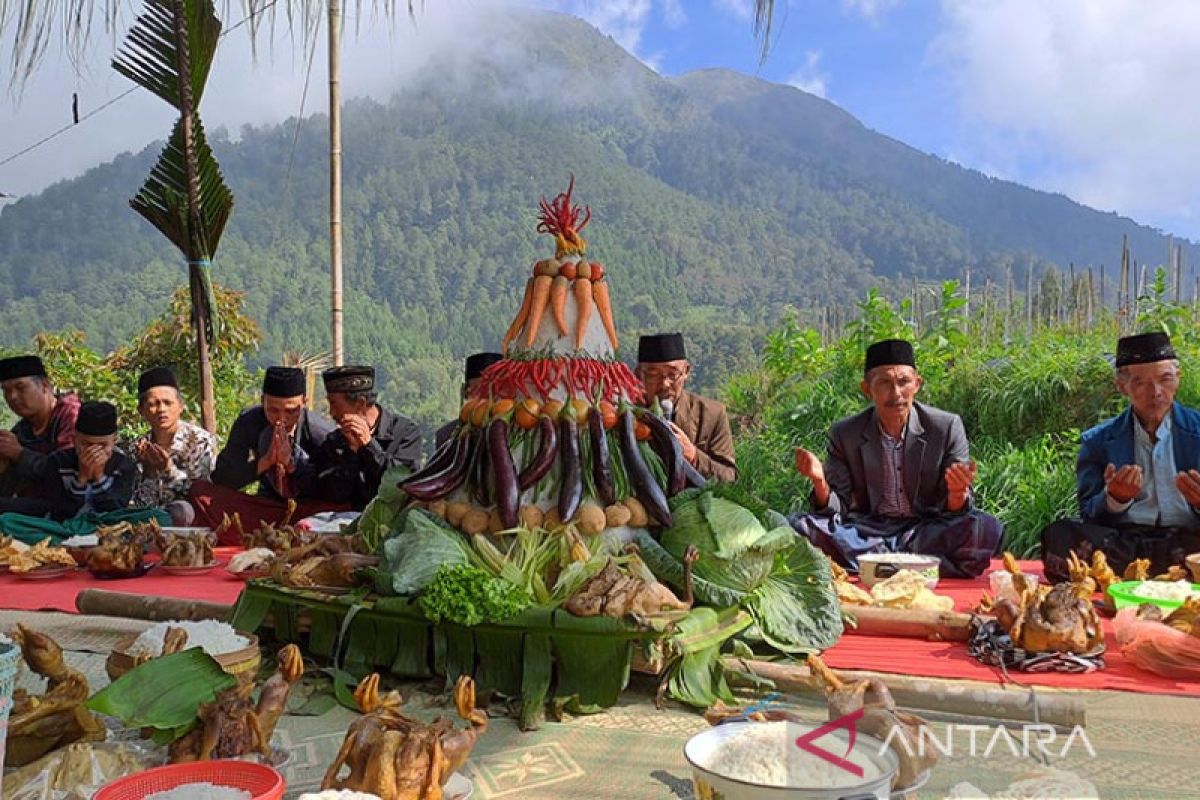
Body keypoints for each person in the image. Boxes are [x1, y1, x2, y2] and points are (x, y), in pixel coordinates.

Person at [789, 339, 1002, 579]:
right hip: (867, 530)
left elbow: (955, 512)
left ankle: (877, 564)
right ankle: (921, 565)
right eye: (884, 383)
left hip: (924, 529)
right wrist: (820, 482)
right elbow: (839, 507)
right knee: (799, 526)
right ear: (867, 389)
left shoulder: (945, 427)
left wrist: (956, 493)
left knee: (983, 528)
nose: (896, 394)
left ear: (917, 384)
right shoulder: (845, 433)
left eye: (904, 382)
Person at [1041, 332, 1200, 581]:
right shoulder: (1098, 441)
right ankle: (1166, 575)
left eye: (1165, 379)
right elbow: (1089, 513)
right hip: (1125, 544)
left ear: (1177, 379)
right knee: (1060, 536)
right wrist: (1115, 498)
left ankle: (1136, 576)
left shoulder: (1197, 431)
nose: (1156, 391)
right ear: (1122, 386)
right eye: (1141, 383)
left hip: (1190, 541)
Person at [189, 366, 339, 542]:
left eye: (291, 411)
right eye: (273, 410)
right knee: (200, 491)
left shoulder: (321, 432)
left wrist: (292, 466)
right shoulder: (249, 422)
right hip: (265, 508)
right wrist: (263, 464)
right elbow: (222, 477)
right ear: (262, 401)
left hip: (306, 510)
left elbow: (332, 489)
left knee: (338, 509)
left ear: (304, 403)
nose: (281, 418)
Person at [0, 401, 159, 546]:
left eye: (103, 445)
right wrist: (81, 479)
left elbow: (116, 511)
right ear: (75, 440)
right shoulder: (57, 462)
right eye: (87, 444)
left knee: (161, 516)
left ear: (114, 441)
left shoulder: (123, 465)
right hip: (66, 529)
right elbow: (59, 513)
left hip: (109, 529)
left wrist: (98, 477)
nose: (93, 451)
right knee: (7, 522)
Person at [315, 365, 422, 509]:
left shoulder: (406, 432)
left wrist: (370, 447)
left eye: (334, 404)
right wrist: (351, 455)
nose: (332, 413)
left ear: (360, 403)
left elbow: (403, 484)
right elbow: (333, 492)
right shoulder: (335, 441)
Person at [635, 333, 737, 482]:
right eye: (653, 374)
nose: (665, 384)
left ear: (686, 372)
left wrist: (693, 455)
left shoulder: (712, 414)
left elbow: (730, 477)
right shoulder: (625, 417)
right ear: (638, 375)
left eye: (672, 374)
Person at [128, 367, 217, 526]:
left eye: (168, 403)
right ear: (141, 410)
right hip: (149, 523)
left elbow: (200, 494)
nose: (162, 409)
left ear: (181, 406)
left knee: (182, 510)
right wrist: (149, 472)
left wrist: (169, 469)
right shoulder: (136, 448)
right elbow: (138, 503)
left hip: (189, 521)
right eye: (153, 404)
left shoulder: (200, 441)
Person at [0, 355, 81, 502]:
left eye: (20, 388)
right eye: (6, 390)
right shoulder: (21, 431)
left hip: (70, 508)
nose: (12, 397)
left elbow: (66, 472)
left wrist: (19, 454)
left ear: (45, 386)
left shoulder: (70, 415)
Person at [434, 352, 503, 449]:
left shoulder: (513, 432)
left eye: (494, 391)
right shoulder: (446, 436)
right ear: (467, 392)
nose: (488, 398)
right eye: (479, 390)